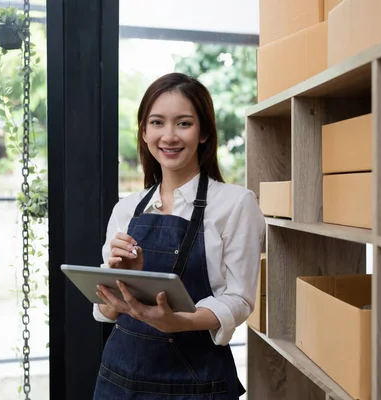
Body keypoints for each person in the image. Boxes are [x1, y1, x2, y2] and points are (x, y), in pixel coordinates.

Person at [92, 72, 266, 399]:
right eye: (157, 122)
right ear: (144, 132)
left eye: (184, 123)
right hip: (119, 381)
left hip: (196, 385)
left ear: (203, 133)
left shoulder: (236, 204)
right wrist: (119, 282)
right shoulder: (126, 209)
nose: (169, 136)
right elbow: (104, 311)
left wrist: (179, 321)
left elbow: (239, 300)